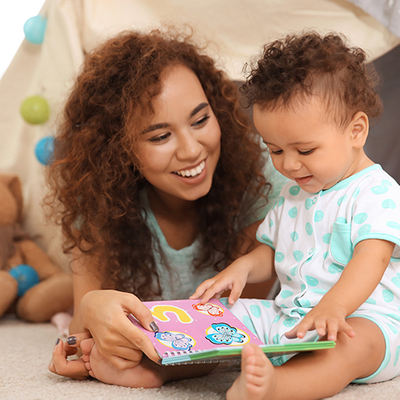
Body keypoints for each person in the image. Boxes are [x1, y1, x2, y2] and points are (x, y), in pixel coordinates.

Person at [47, 28, 287, 384]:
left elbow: (228, 329)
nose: (191, 150)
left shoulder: (264, 178)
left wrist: (150, 369)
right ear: (119, 148)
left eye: (201, 119)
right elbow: (86, 334)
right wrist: (89, 308)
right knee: (55, 301)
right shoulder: (99, 194)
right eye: (160, 136)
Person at [190, 31, 400, 399]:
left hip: (365, 321)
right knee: (218, 318)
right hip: (290, 317)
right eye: (274, 150)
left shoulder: (377, 193)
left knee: (350, 348)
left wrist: (334, 308)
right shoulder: (294, 192)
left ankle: (278, 387)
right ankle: (149, 364)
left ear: (356, 130)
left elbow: (373, 258)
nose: (288, 164)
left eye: (304, 149)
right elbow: (270, 252)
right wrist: (240, 268)